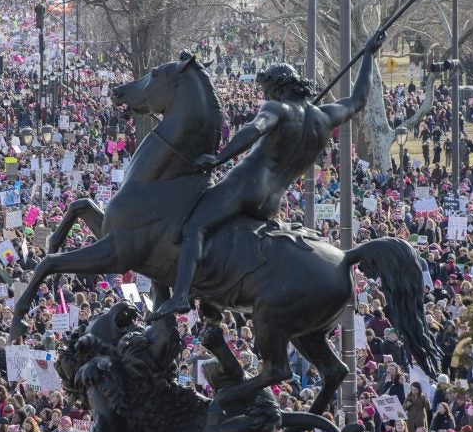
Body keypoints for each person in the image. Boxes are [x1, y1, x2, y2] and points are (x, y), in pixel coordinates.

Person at [157, 31, 386, 316]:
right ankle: (214, 297)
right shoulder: (325, 117)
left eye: (266, 90)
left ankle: (180, 294)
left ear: (278, 88)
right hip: (272, 202)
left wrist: (219, 158)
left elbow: (254, 130)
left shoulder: (277, 108)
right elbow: (359, 99)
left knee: (194, 227)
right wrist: (368, 56)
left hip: (245, 187)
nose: (264, 96)